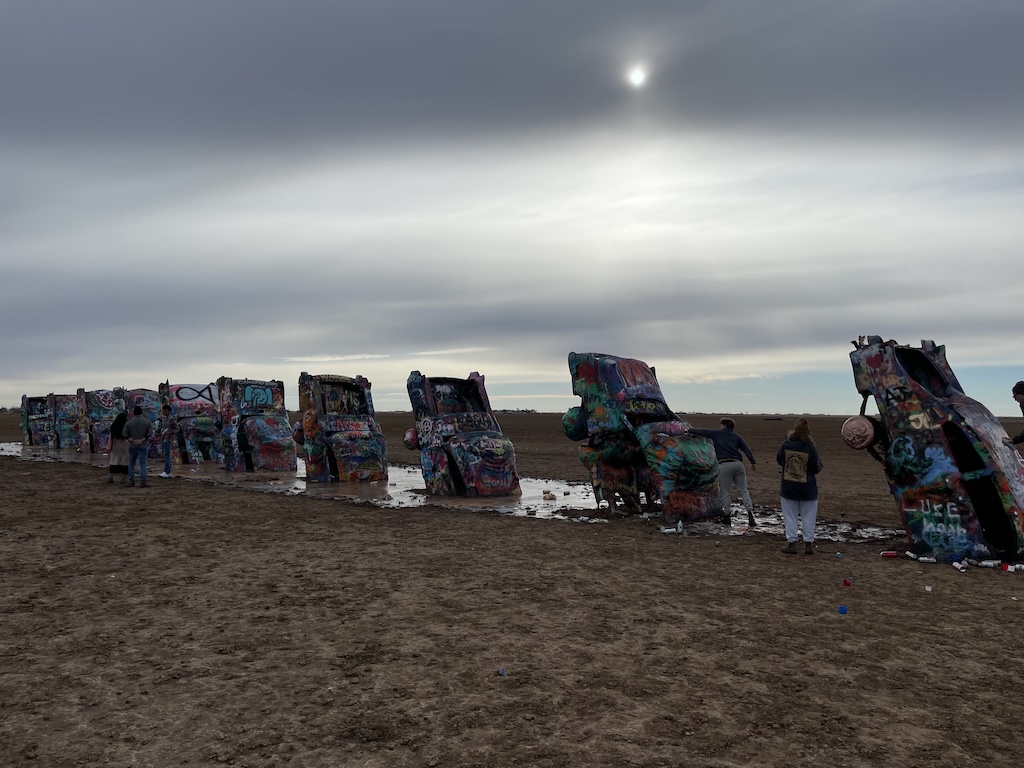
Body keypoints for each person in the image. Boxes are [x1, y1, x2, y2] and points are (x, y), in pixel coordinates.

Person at [688, 417, 758, 526]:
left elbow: (703, 431)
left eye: (721, 425)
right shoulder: (737, 437)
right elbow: (746, 449)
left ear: (724, 425)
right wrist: (752, 461)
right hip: (739, 465)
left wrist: (689, 429)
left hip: (725, 464)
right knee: (743, 490)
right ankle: (750, 515)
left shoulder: (718, 434)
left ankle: (727, 516)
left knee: (725, 492)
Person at [777, 417, 823, 555]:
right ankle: (808, 544)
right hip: (808, 489)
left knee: (790, 516)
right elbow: (816, 468)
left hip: (788, 488)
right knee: (809, 517)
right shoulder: (811, 448)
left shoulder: (786, 445)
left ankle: (792, 543)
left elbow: (779, 459)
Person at [122, 405, 154, 488]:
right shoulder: (147, 422)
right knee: (143, 464)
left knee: (131, 464)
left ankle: (131, 481)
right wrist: (142, 440)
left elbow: (124, 434)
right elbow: (150, 434)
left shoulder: (128, 423)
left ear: (133, 413)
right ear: (141, 412)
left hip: (132, 445)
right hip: (143, 445)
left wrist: (132, 440)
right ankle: (143, 481)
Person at [107, 399, 129, 484]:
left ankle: (110, 477)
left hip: (115, 447)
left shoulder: (114, 427)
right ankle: (123, 479)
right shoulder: (126, 426)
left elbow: (111, 435)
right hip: (125, 446)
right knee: (124, 462)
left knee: (113, 461)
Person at [156, 403, 179, 478]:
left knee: (167, 455)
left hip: (168, 439)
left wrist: (170, 432)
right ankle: (168, 472)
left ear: (169, 411)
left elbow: (177, 428)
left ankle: (166, 471)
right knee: (166, 455)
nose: (164, 412)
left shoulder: (171, 419)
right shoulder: (164, 419)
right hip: (164, 438)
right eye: (163, 411)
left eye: (165, 411)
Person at [1004, 381, 1024, 448]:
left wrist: (1015, 440)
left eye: (1015, 395)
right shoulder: (1022, 404)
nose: (1015, 399)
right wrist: (1014, 440)